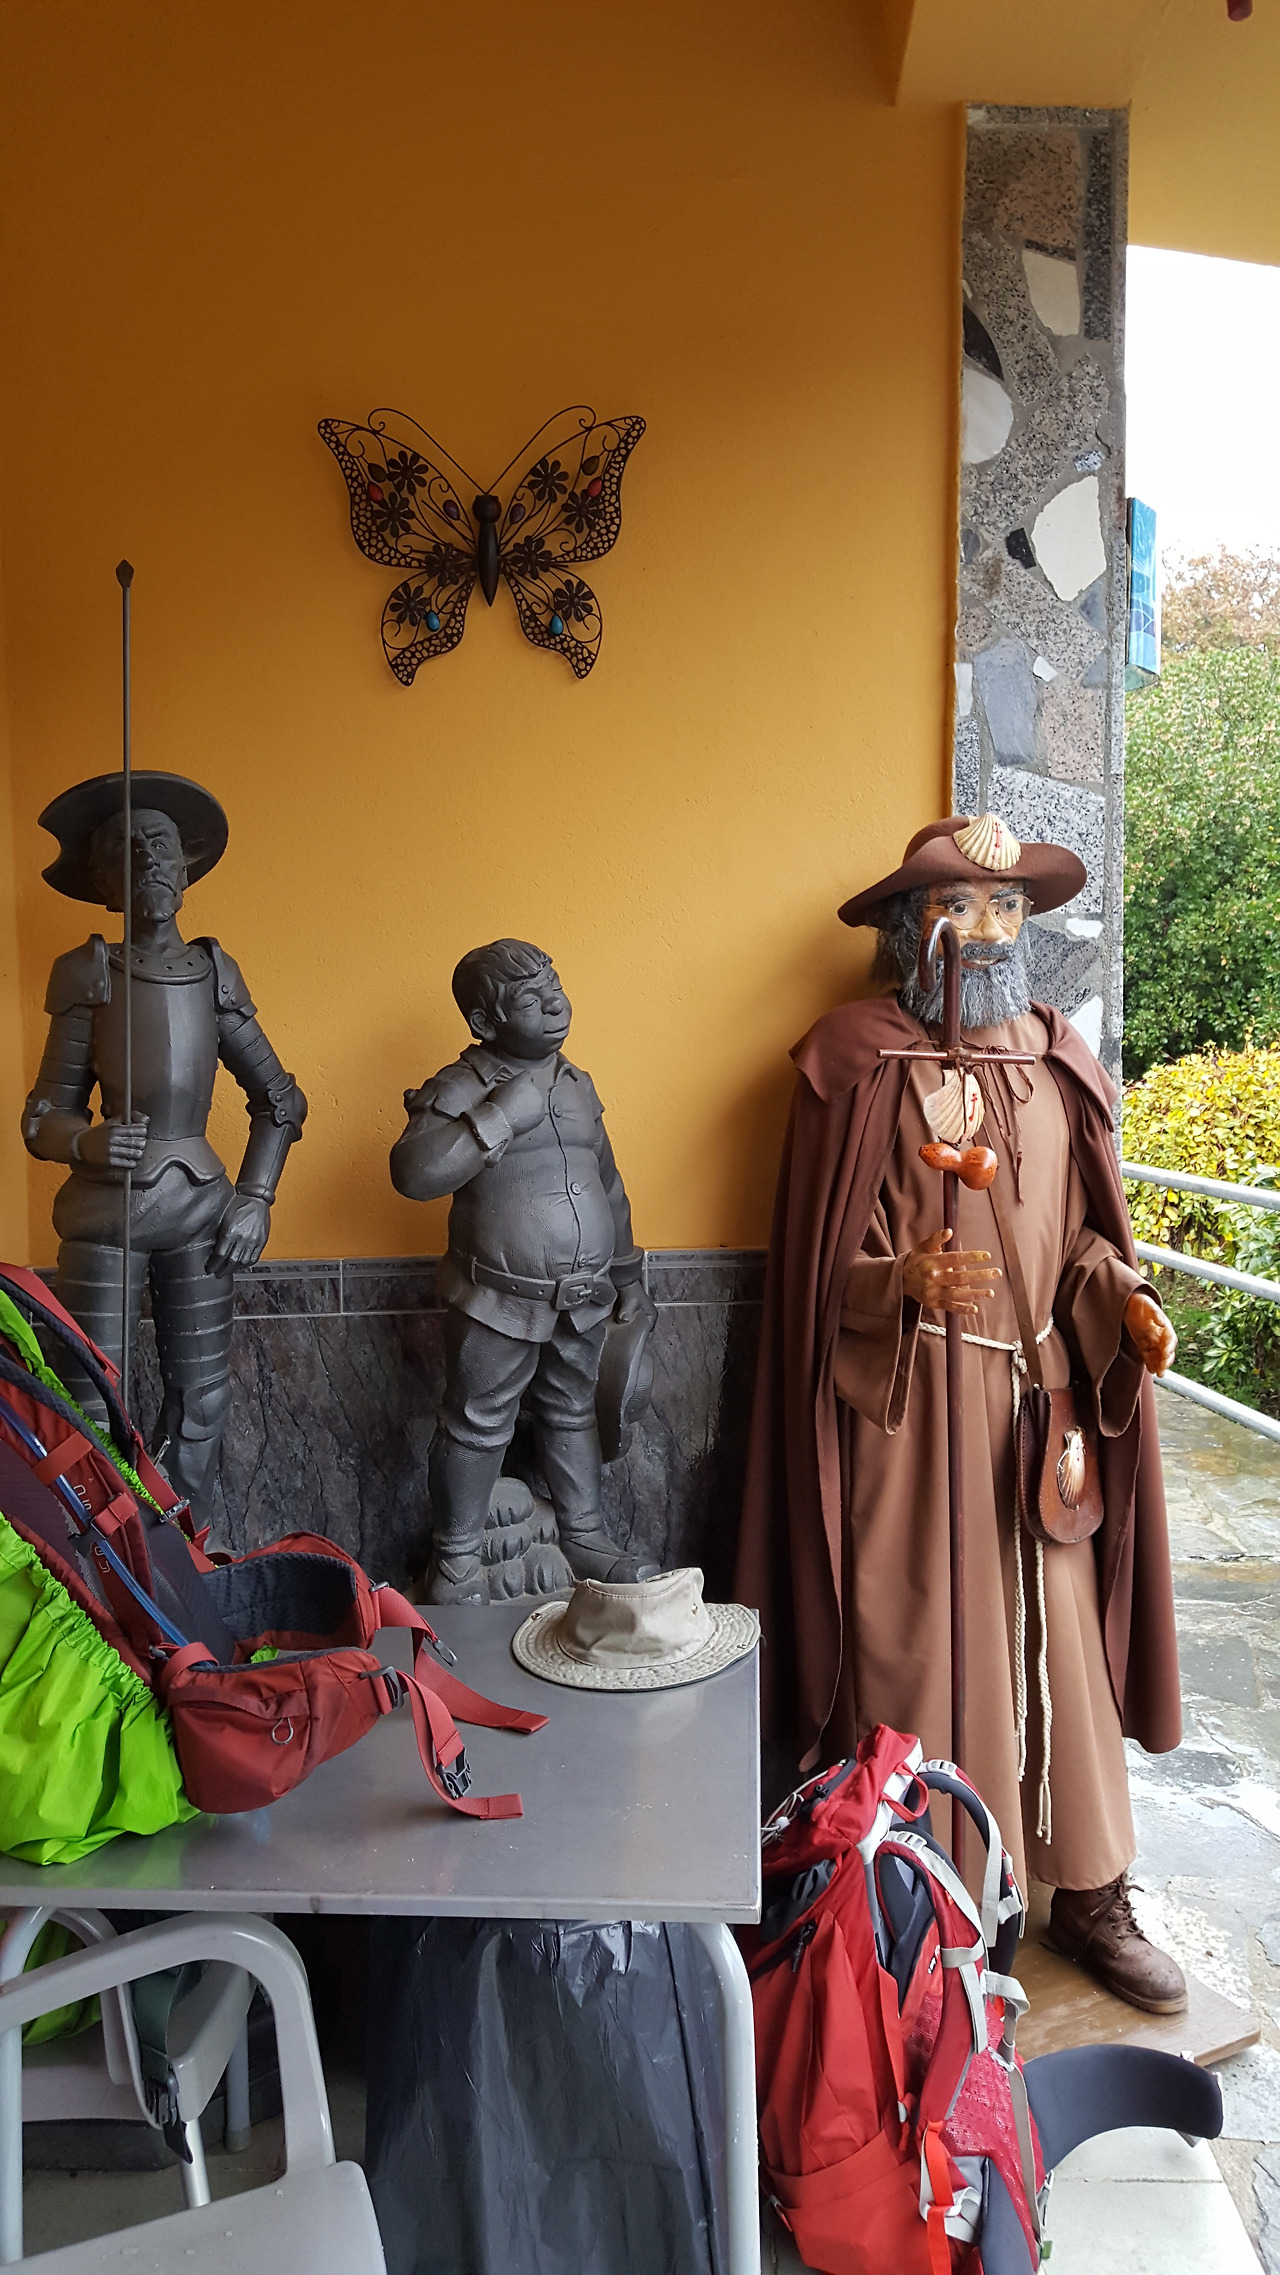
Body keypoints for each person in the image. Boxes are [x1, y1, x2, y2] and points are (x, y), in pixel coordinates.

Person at [735, 813, 1187, 2013]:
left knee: (1059, 1648)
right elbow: (813, 1273)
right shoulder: (854, 1063)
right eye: (956, 906)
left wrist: (1124, 1303)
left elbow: (1081, 1237)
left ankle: (1086, 1891)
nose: (985, 928)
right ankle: (921, 1904)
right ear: (909, 929)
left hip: (1039, 1408)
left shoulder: (1054, 1061)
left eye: (1004, 908)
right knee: (916, 1645)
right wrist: (897, 1283)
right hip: (905, 1412)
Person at [23, 772, 307, 1526]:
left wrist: (257, 1197)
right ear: (102, 880)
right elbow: (42, 1117)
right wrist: (86, 1139)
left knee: (201, 1395)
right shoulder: (87, 972)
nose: (147, 859)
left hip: (203, 1210)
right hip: (106, 1213)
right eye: (126, 847)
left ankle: (182, 1541)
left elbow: (280, 1100)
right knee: (91, 1392)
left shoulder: (214, 972)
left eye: (160, 844)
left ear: (186, 867)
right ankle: (102, 1546)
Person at [390, 939, 656, 1602]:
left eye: (555, 986)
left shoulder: (577, 1083)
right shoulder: (462, 1085)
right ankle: (455, 1560)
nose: (554, 1003)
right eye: (531, 998)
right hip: (496, 1297)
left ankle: (584, 1534)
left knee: (572, 1410)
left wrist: (627, 1274)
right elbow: (414, 1172)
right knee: (476, 1420)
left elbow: (608, 1182)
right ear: (485, 1021)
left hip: (585, 1294)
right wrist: (498, 1116)